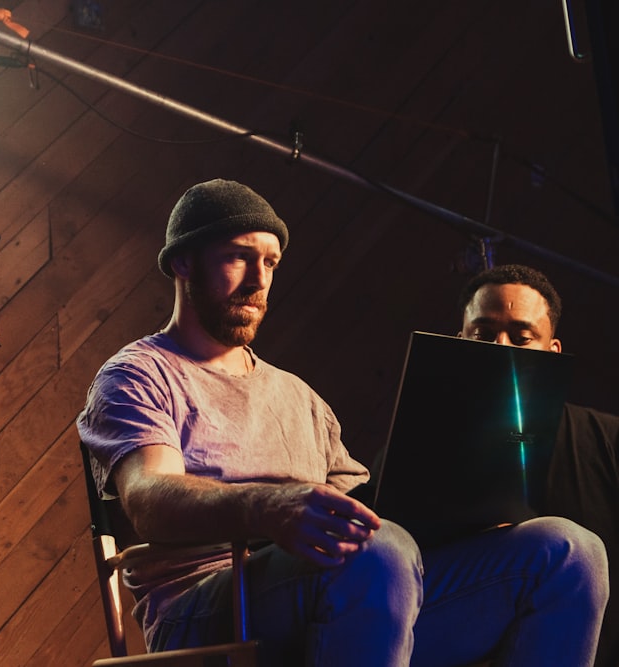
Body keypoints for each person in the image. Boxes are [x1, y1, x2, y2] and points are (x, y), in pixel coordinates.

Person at [77, 178, 609, 666]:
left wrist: (461, 514)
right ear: (183, 264)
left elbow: (369, 517)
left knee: (568, 552)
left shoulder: (301, 398)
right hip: (207, 604)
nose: (258, 281)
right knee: (376, 555)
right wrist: (268, 506)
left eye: (271, 264)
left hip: (344, 590)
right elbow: (149, 498)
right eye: (239, 258)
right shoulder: (140, 373)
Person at [458, 263, 619, 667]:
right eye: (482, 334)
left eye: (521, 336)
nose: (501, 347)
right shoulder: (415, 442)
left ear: (553, 351)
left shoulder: (609, 441)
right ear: (459, 340)